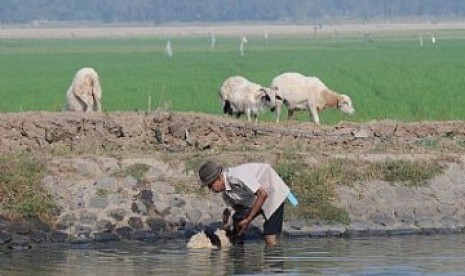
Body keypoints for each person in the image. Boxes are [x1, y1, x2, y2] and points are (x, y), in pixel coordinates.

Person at [198, 160, 292, 246]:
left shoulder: (238, 176)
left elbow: (263, 194)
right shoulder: (226, 193)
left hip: (272, 191)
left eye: (211, 185)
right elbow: (235, 208)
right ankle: (238, 254)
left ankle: (274, 261)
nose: (211, 189)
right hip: (256, 198)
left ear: (219, 178)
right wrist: (227, 220)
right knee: (238, 219)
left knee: (269, 237)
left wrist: (249, 219)